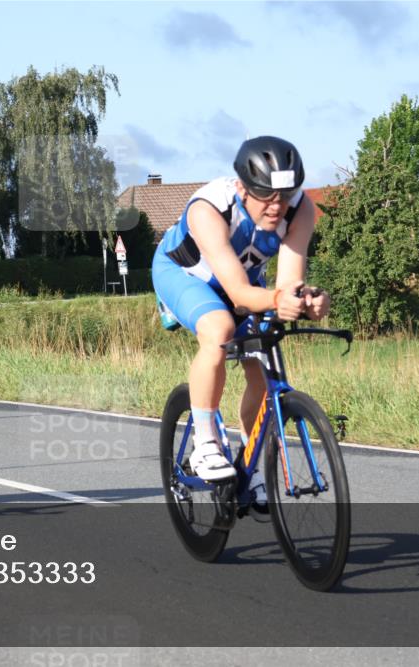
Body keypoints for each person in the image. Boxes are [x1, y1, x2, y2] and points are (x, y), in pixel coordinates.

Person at [152, 136, 330, 507]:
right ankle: (205, 444)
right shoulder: (211, 208)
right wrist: (279, 300)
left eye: (286, 195)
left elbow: (287, 283)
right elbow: (236, 294)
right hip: (186, 276)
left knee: (263, 362)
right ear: (242, 188)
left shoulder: (301, 211)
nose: (277, 207)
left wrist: (307, 298)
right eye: (267, 196)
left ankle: (251, 464)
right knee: (220, 329)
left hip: (247, 284)